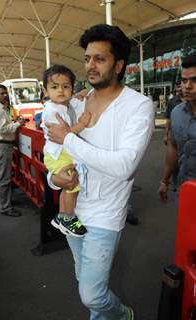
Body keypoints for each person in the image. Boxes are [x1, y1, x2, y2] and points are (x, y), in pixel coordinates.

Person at [46, 24, 154, 319]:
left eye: (99, 59)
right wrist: (53, 179)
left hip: (106, 215)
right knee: (86, 282)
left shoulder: (138, 106)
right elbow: (56, 154)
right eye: (87, 58)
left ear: (118, 65)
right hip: (74, 210)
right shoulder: (76, 102)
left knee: (92, 293)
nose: (90, 66)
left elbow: (124, 166)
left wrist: (68, 138)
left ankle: (123, 315)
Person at [42, 64, 91, 237]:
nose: (61, 91)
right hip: (59, 154)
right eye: (55, 87)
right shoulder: (51, 111)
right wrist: (82, 124)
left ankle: (62, 217)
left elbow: (71, 104)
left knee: (67, 188)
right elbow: (64, 134)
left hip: (59, 154)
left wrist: (79, 96)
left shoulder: (62, 105)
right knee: (72, 185)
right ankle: (69, 218)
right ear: (46, 91)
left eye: (66, 86)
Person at [159, 52, 196, 201]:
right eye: (184, 80)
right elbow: (173, 147)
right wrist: (164, 180)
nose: (187, 86)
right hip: (184, 188)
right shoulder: (177, 113)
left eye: (194, 80)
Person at [0, 84, 25, 217]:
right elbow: (3, 129)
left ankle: (6, 202)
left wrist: (14, 123)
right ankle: (5, 207)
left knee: (5, 176)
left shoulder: (0, 108)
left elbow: (3, 126)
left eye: (6, 93)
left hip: (4, 145)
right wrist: (18, 124)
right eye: (2, 93)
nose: (5, 95)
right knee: (4, 178)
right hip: (3, 146)